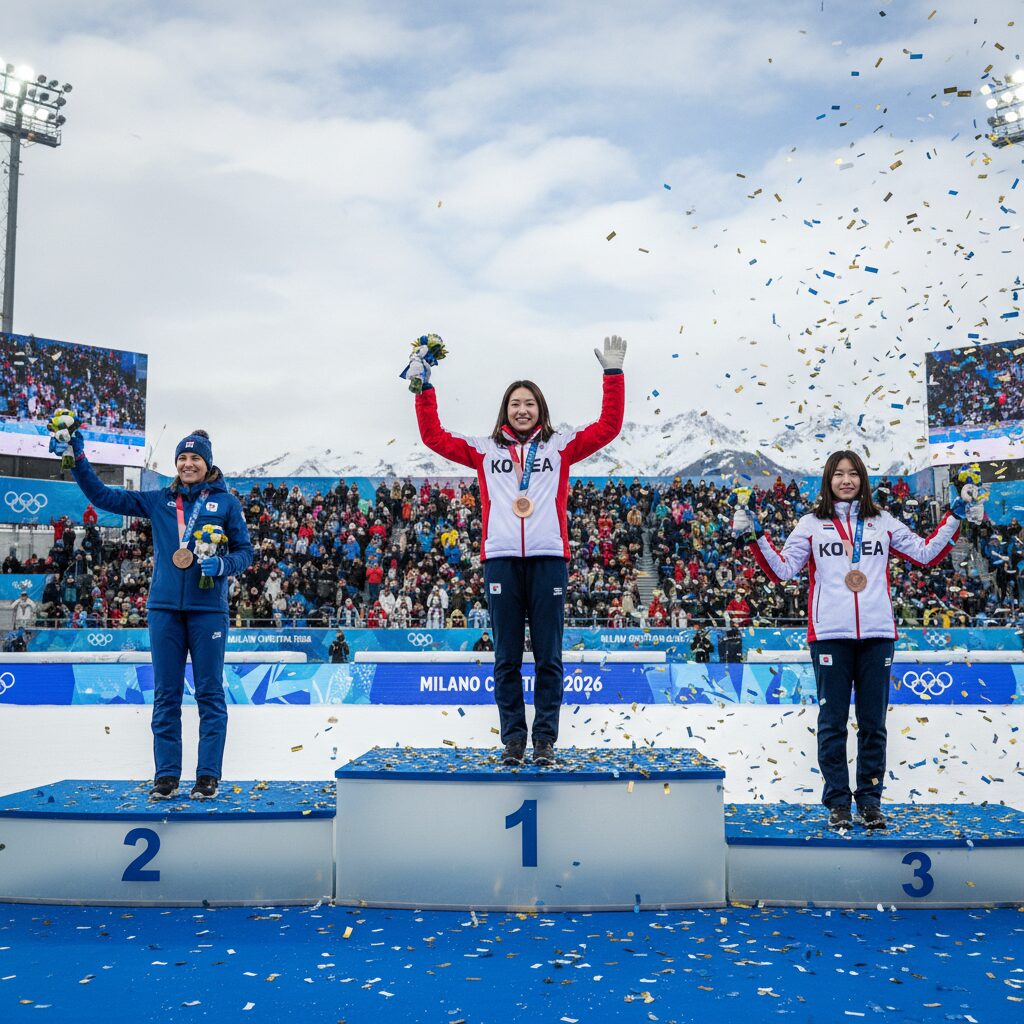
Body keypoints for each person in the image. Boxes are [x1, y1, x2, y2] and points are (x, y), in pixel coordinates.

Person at [733, 449, 979, 831]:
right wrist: (755, 534)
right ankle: (838, 804)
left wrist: (955, 518)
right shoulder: (811, 524)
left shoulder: (882, 522)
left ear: (863, 480)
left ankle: (869, 801)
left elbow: (926, 554)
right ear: (828, 480)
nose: (846, 481)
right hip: (830, 636)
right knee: (832, 724)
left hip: (878, 635)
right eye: (839, 474)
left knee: (873, 725)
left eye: (853, 474)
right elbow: (781, 571)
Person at [409, 335, 626, 766]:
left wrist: (613, 375)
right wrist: (424, 386)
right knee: (506, 659)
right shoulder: (484, 451)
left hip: (549, 560)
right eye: (515, 404)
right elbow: (433, 437)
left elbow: (608, 428)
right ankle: (513, 740)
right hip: (501, 561)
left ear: (541, 410)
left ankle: (544, 739)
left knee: (549, 657)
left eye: (529, 403)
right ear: (505, 411)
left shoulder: (560, 447)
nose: (522, 410)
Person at [60, 425, 253, 801]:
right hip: (164, 608)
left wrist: (224, 566)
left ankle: (208, 776)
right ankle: (166, 776)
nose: (187, 463)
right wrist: (79, 460)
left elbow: (246, 553)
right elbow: (104, 497)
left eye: (195, 458)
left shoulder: (226, 503)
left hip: (208, 611)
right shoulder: (160, 500)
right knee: (166, 696)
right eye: (182, 458)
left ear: (207, 463)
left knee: (210, 695)